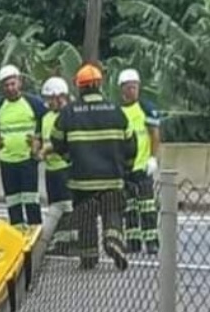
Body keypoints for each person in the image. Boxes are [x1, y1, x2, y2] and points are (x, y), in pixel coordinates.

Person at [47, 64, 135, 271]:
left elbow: (56, 140)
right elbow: (131, 144)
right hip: (112, 178)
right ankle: (113, 238)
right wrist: (126, 169)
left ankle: (88, 256)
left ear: (79, 87)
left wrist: (70, 158)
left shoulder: (69, 113)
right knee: (112, 210)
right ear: (99, 85)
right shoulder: (116, 112)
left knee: (85, 215)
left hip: (82, 179)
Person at [0, 65, 46, 229]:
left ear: (20, 82)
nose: (10, 88)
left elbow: (48, 121)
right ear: (2, 87)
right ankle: (17, 234)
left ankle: (34, 232)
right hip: (7, 160)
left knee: (31, 199)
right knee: (12, 200)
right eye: (6, 85)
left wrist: (38, 140)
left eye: (13, 83)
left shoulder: (33, 102)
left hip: (27, 159)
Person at [118, 69, 162, 255]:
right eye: (129, 87)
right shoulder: (118, 112)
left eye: (135, 87)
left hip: (143, 166)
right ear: (122, 89)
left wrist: (153, 157)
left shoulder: (146, 108)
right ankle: (133, 241)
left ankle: (151, 241)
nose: (132, 91)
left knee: (147, 206)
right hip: (125, 168)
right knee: (129, 207)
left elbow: (155, 134)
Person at [39, 76, 76, 254]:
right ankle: (61, 241)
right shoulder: (46, 117)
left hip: (64, 167)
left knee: (67, 205)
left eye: (50, 99)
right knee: (56, 203)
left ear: (60, 96)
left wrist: (48, 150)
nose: (48, 103)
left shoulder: (69, 115)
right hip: (50, 168)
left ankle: (71, 241)